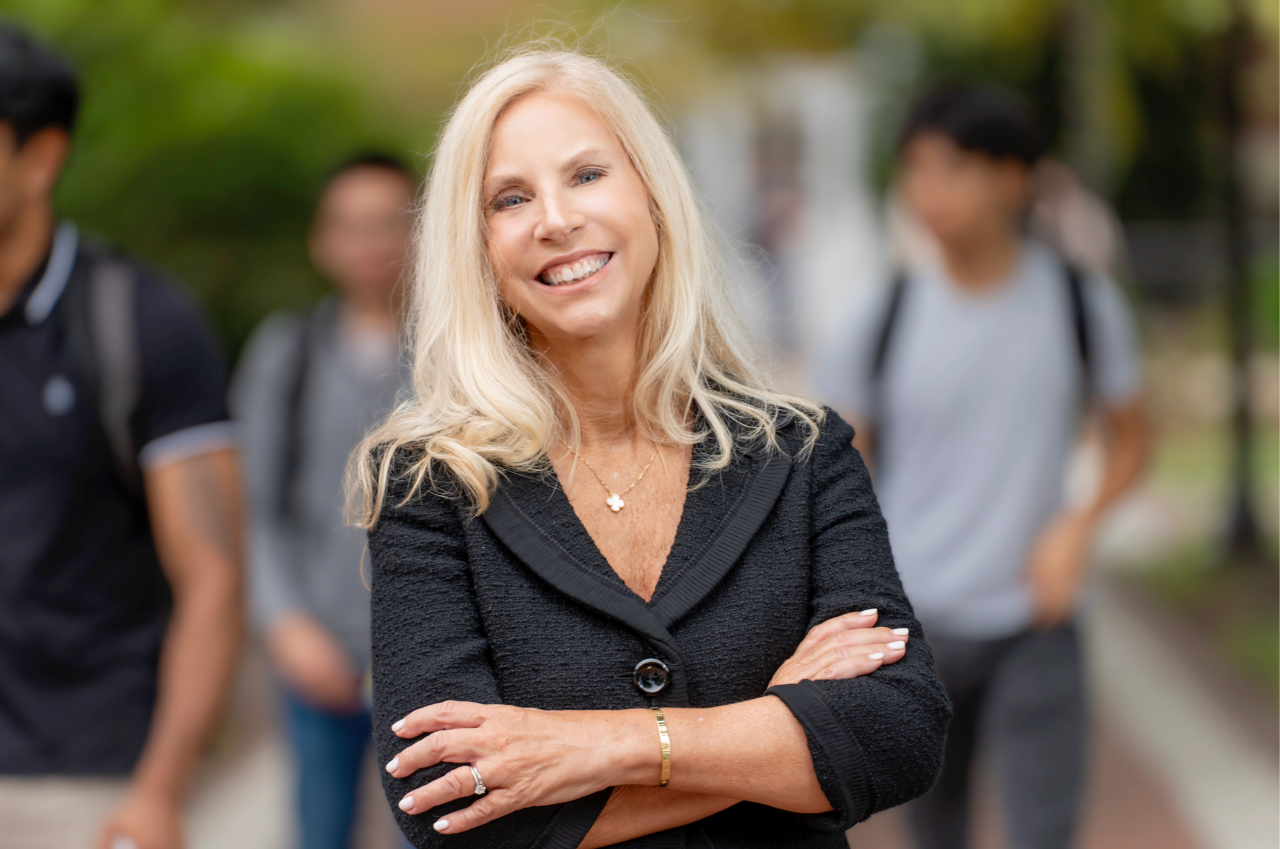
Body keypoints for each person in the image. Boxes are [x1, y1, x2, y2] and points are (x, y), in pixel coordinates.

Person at [349, 48, 951, 849]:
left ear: (654, 197)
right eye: (510, 197)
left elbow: (899, 731)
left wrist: (604, 747)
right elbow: (446, 806)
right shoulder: (429, 485)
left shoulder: (803, 452)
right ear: (479, 249)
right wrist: (774, 726)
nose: (555, 218)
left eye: (587, 175)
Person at [818, 83, 1150, 849]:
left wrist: (1079, 526)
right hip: (918, 626)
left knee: (1044, 832)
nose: (928, 191)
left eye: (952, 168)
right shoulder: (879, 315)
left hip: (1038, 620)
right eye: (916, 170)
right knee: (935, 833)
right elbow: (840, 469)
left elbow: (1133, 440)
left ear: (1013, 177)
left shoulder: (1079, 303)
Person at [0, 24, 244, 849]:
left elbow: (212, 577)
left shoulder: (137, 319)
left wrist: (160, 788)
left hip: (90, 779)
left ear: (40, 158)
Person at [232, 153, 416, 849]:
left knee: (432, 828)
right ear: (321, 239)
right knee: (319, 826)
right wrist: (285, 625)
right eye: (349, 225)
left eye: (387, 222)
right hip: (318, 649)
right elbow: (255, 508)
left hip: (429, 655)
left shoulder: (461, 354)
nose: (369, 241)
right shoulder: (288, 355)